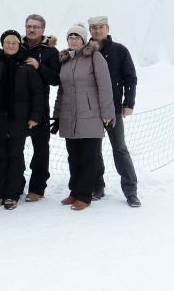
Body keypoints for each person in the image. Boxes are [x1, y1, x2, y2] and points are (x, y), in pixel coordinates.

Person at [52, 24, 115, 210]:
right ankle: (74, 192)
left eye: (76, 37)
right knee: (73, 157)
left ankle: (85, 195)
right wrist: (57, 115)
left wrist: (107, 115)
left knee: (88, 158)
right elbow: (61, 91)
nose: (73, 40)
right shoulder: (65, 60)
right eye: (70, 37)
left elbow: (105, 87)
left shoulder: (95, 57)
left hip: (91, 116)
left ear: (83, 39)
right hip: (69, 117)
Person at [0, 30, 44, 210]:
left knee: (16, 156)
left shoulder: (27, 65)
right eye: (7, 42)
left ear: (19, 44)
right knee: (0, 156)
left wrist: (34, 116)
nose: (11, 45)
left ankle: (12, 193)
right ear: (2, 44)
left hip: (20, 118)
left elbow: (37, 93)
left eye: (14, 42)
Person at [88, 16, 141, 207]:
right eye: (94, 28)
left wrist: (129, 102)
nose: (97, 31)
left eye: (101, 27)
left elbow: (130, 77)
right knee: (94, 151)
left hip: (114, 109)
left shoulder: (119, 50)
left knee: (119, 149)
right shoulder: (85, 51)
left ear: (107, 28)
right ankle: (97, 186)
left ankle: (130, 191)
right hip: (91, 110)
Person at [19, 14, 60, 202]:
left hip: (40, 108)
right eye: (28, 26)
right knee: (15, 149)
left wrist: (39, 66)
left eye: (35, 27)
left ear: (43, 30)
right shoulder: (16, 47)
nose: (31, 30)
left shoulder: (50, 51)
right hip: (17, 107)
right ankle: (16, 183)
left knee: (40, 149)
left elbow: (56, 79)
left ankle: (37, 187)